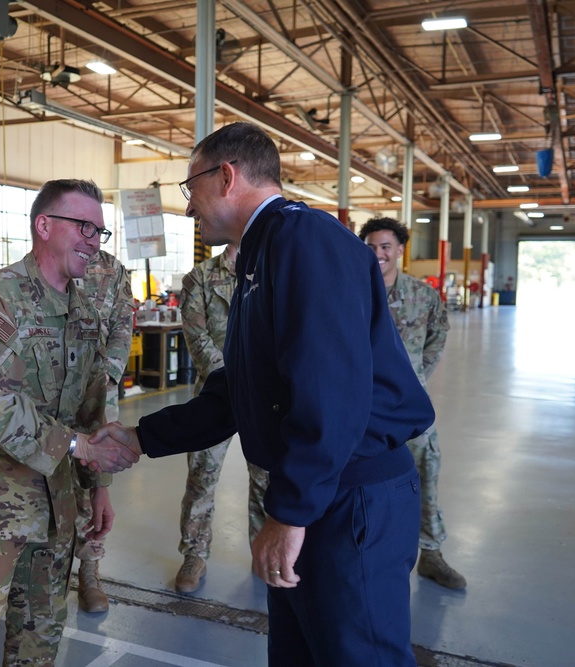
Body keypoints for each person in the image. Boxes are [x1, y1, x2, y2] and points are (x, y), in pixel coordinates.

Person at [92, 121, 435, 666]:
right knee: (301, 653)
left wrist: (290, 514)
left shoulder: (305, 241)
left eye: (190, 189)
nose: (188, 209)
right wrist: (141, 436)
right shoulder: (263, 251)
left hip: (349, 498)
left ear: (226, 176)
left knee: (358, 656)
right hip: (317, 490)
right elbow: (241, 390)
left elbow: (330, 391)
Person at [0, 179, 139, 667]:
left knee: (39, 641)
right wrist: (80, 448)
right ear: (43, 225)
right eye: (83, 226)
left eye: (99, 232)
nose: (92, 240)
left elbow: (92, 406)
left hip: (57, 510)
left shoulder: (83, 312)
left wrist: (97, 487)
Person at [358, 216, 465, 590]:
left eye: (385, 246)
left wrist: (417, 377)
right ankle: (363, 554)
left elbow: (439, 334)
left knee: (426, 468)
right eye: (370, 247)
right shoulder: (352, 291)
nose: (378, 254)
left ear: (400, 250)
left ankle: (431, 553)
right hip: (359, 406)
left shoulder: (423, 295)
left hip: (407, 407)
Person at [174, 242, 269, 593]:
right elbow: (196, 336)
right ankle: (194, 554)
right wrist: (230, 380)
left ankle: (263, 552)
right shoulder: (199, 278)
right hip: (215, 393)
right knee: (202, 477)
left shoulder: (272, 269)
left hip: (264, 395)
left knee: (266, 478)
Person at [73, 249, 133, 613]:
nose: (90, 233)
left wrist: (106, 377)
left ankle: (90, 572)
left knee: (94, 480)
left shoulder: (111, 269)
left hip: (96, 389)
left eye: (96, 226)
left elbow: (123, 323)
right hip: (46, 387)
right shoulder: (39, 263)